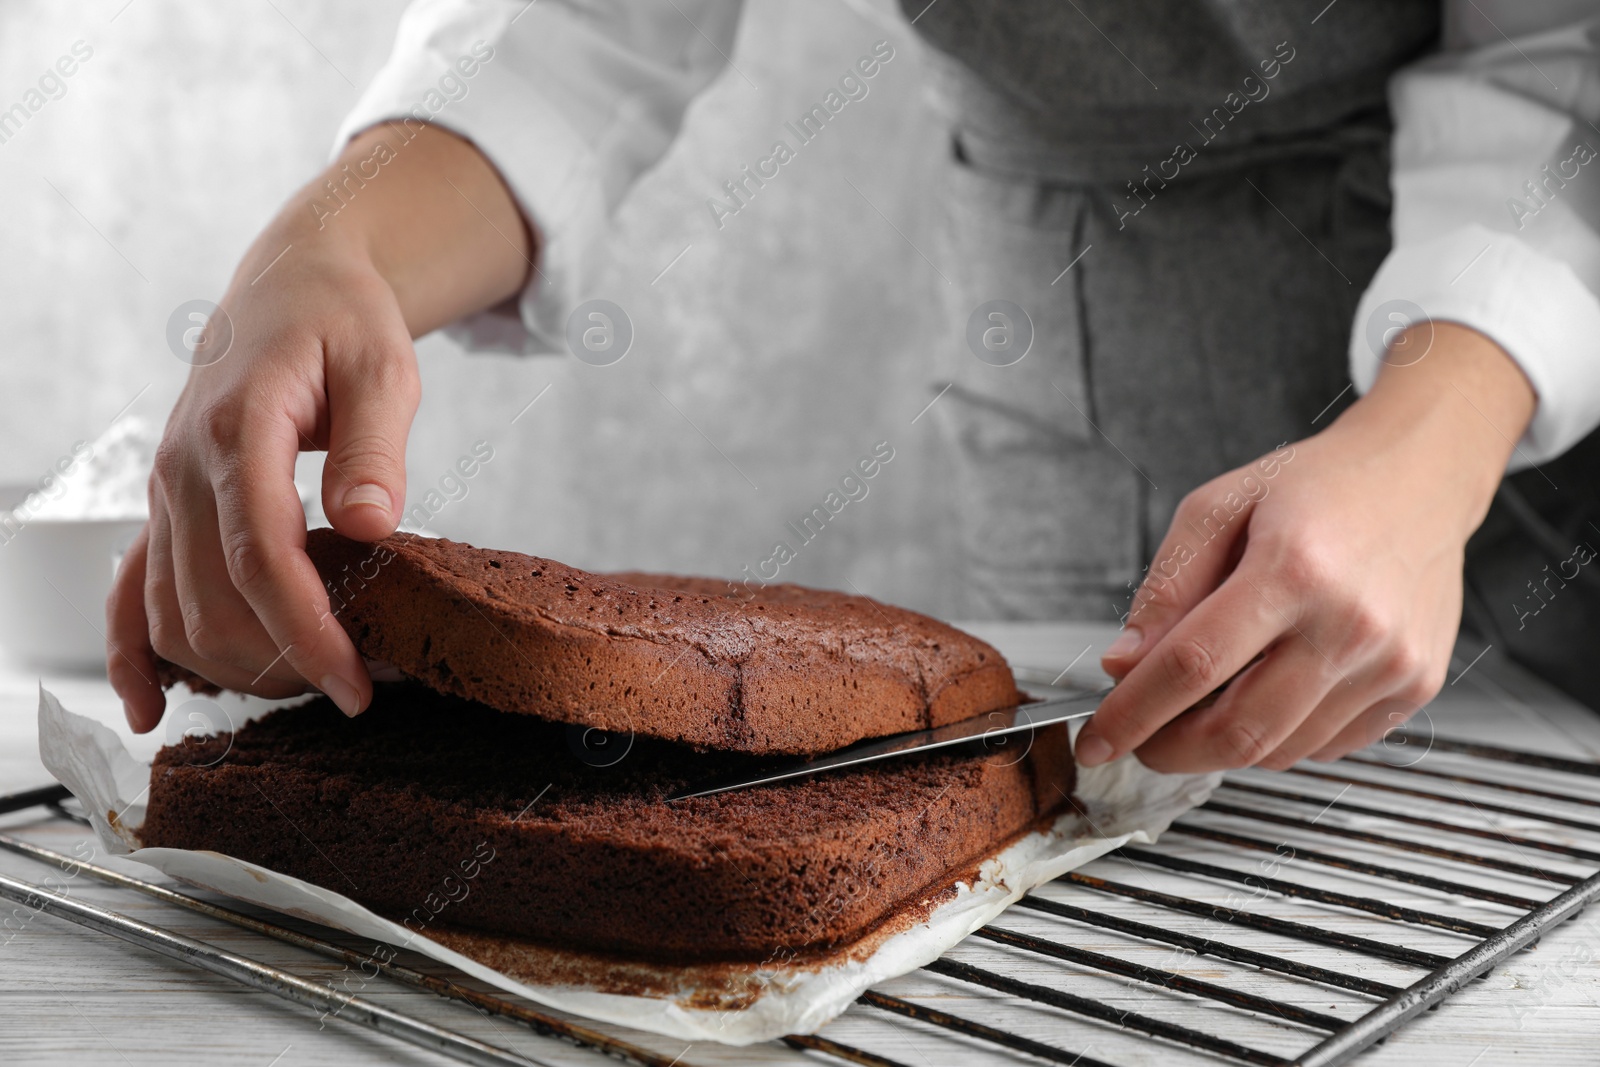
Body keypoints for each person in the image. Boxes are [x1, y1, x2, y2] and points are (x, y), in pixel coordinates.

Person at [107, 0, 1600, 774]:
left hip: (1531, 374)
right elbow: (569, 41)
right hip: (1081, 333)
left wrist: (1434, 440)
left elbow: (1557, 48)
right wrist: (336, 239)